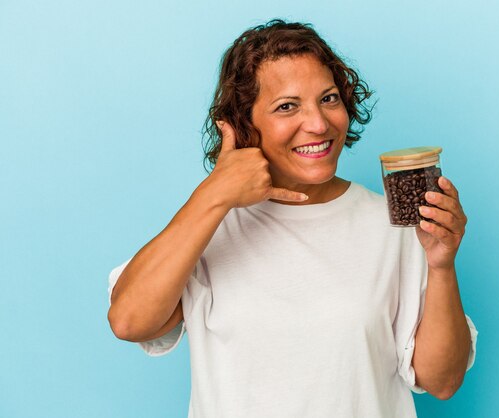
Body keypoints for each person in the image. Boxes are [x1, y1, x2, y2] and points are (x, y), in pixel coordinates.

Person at [107, 18, 478, 418]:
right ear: (243, 123)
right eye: (287, 106)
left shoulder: (393, 224)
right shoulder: (209, 226)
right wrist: (213, 195)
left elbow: (442, 381)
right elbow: (129, 321)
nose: (318, 124)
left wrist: (441, 265)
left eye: (330, 99)